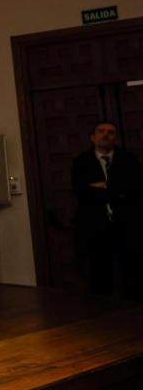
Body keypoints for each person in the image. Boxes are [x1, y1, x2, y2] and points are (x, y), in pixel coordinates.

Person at [71, 121, 143, 301]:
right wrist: (115, 191)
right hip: (95, 225)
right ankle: (101, 314)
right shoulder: (82, 161)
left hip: (126, 224)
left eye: (110, 132)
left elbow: (134, 189)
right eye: (101, 131)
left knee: (131, 270)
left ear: (115, 137)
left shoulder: (128, 159)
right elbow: (81, 191)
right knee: (99, 271)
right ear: (92, 137)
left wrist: (103, 188)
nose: (105, 135)